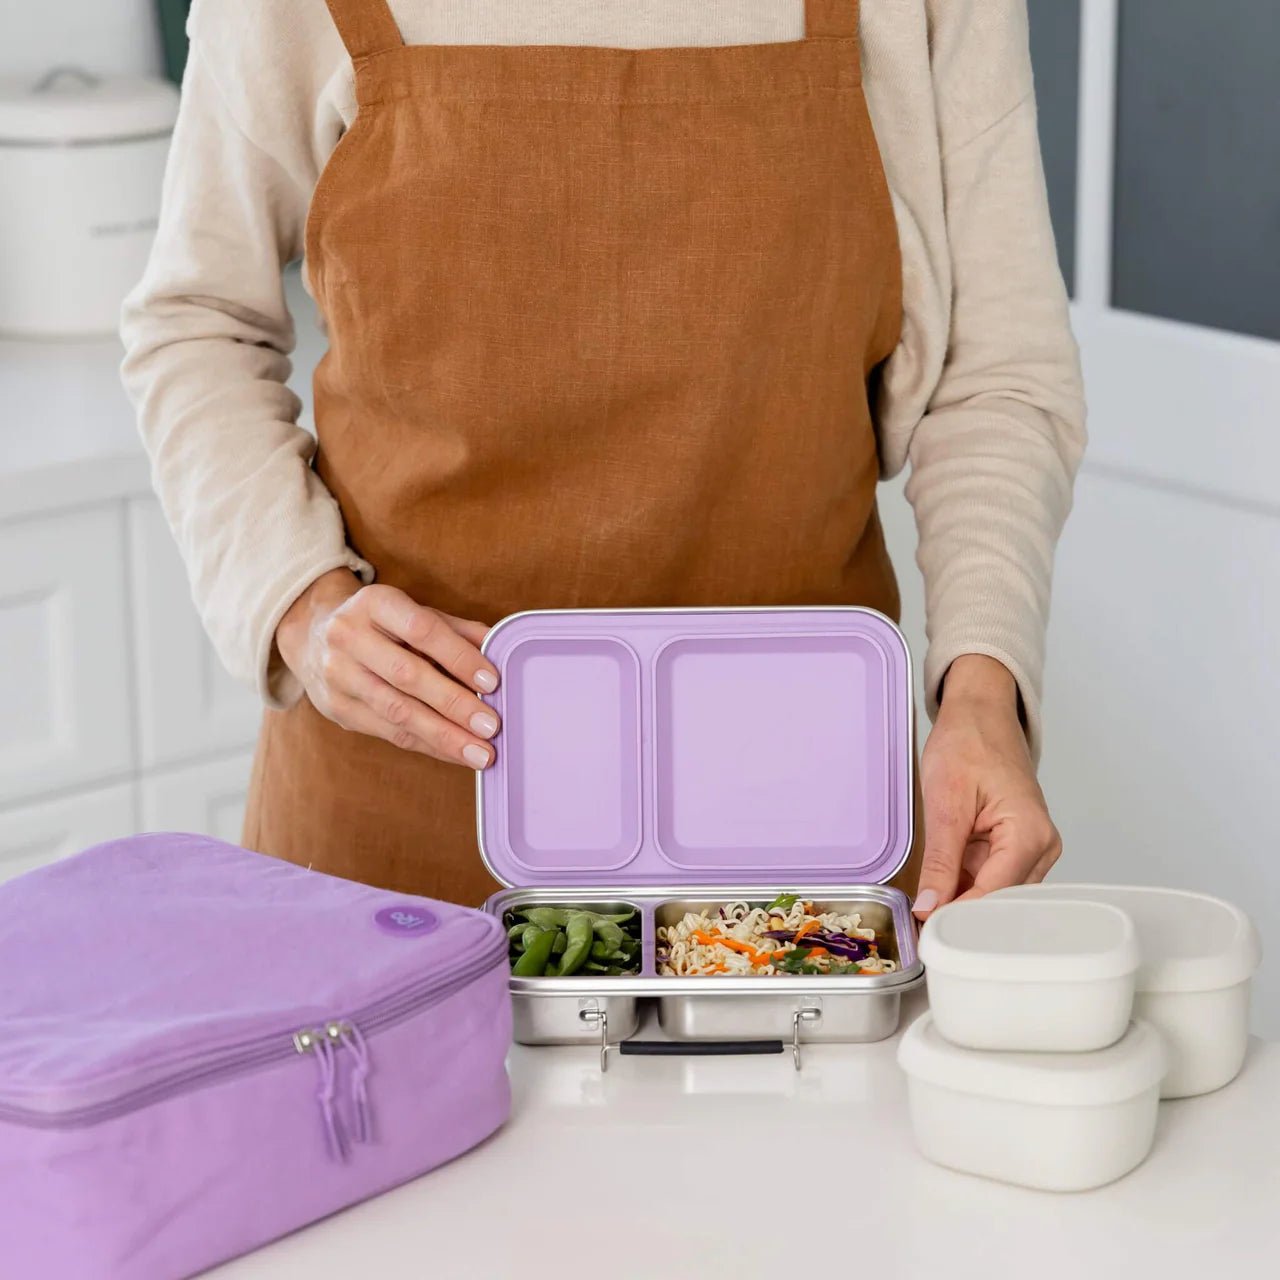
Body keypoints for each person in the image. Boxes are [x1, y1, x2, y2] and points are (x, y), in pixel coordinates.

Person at [120, 0, 1084, 918]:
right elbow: (196, 323)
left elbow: (993, 376)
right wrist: (298, 603)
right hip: (393, 815)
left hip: (793, 826)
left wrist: (983, 689)